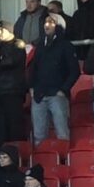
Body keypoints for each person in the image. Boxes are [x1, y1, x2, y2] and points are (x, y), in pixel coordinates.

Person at [28, 14, 78, 143]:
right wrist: (32, 87)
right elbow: (33, 68)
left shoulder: (66, 46)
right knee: (38, 136)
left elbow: (74, 71)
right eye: (45, 22)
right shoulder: (40, 46)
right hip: (39, 96)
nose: (47, 25)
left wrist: (63, 90)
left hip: (57, 95)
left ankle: (63, 161)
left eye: (51, 22)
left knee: (62, 133)